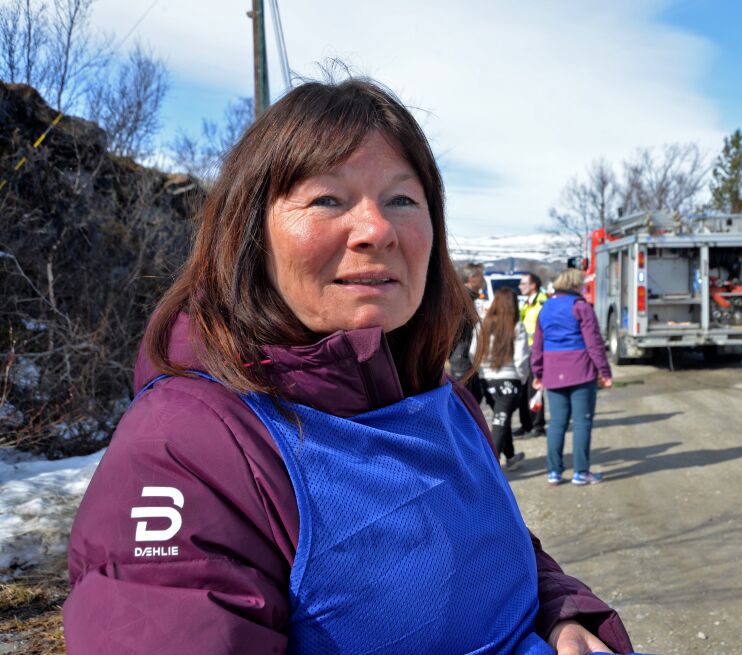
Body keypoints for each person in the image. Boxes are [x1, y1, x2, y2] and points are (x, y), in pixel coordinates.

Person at [63, 79, 633, 654]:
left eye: (402, 200)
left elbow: (498, 547)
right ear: (250, 233)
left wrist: (562, 613)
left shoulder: (438, 392)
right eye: (328, 199)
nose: (377, 230)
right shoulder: (190, 444)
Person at [531, 268, 613, 486]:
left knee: (557, 423)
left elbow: (537, 345)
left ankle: (554, 472)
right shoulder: (581, 307)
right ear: (576, 285)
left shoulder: (545, 308)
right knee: (582, 423)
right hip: (581, 371)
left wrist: (537, 372)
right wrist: (604, 372)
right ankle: (581, 472)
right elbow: (594, 343)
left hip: (552, 371)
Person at [471, 287, 529, 471]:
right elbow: (522, 358)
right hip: (510, 380)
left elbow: (473, 352)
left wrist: (482, 372)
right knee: (500, 423)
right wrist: (523, 378)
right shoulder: (516, 325)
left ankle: (510, 457)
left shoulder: (482, 325)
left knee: (501, 419)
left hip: (487, 381)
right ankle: (488, 471)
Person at [451, 261, 489, 404]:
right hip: (462, 355)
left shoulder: (471, 298)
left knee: (474, 397)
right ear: (471, 278)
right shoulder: (462, 298)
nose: (483, 280)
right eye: (481, 276)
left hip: (468, 354)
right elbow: (455, 327)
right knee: (466, 400)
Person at [517, 272, 548, 437]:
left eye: (523, 283)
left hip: (536, 351)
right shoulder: (527, 303)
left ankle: (538, 425)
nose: (520, 286)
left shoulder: (542, 302)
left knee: (534, 388)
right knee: (523, 389)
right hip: (525, 350)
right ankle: (526, 424)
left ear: (533, 285)